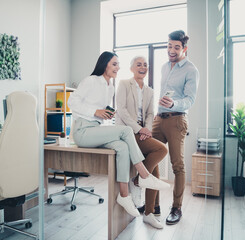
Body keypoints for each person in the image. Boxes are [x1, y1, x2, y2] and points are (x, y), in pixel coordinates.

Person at [68, 51, 170, 217]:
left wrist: (105, 114)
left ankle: (124, 195)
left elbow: (100, 114)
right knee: (126, 130)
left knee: (122, 147)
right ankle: (143, 175)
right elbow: (71, 102)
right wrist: (96, 111)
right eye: (114, 64)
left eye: (118, 64)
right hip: (82, 131)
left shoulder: (110, 87)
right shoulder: (91, 80)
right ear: (105, 64)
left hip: (96, 129)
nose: (118, 67)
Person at [153, 30, 199, 225]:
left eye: (176, 47)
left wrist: (173, 104)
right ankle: (152, 205)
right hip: (159, 118)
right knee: (150, 159)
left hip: (177, 119)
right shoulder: (164, 67)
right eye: (169, 46)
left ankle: (176, 208)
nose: (171, 50)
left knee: (177, 165)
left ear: (184, 48)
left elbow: (190, 99)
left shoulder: (191, 70)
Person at [115, 56, 168, 229]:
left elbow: (150, 114)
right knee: (162, 150)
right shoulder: (123, 84)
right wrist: (139, 129)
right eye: (139, 64)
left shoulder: (150, 91)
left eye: (146, 65)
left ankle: (148, 212)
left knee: (155, 170)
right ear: (132, 68)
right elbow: (121, 110)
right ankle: (140, 180)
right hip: (127, 132)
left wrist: (147, 128)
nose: (143, 67)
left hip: (142, 133)